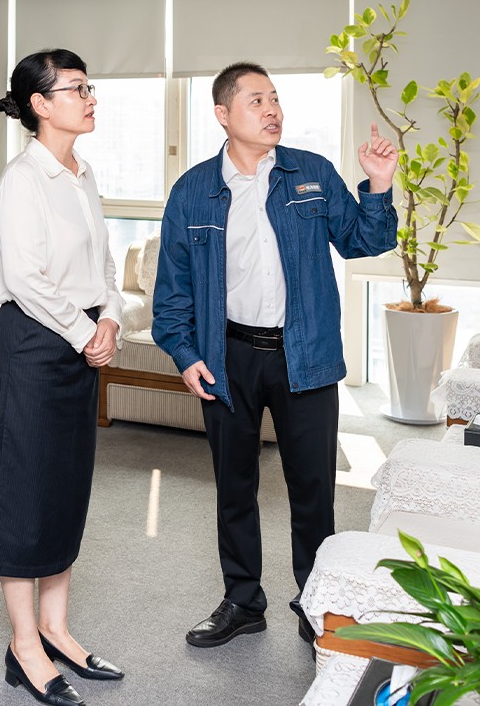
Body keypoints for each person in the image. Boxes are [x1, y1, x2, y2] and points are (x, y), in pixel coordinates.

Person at [152, 62, 398, 650]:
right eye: (256, 101)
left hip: (303, 356)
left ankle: (316, 600)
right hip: (227, 356)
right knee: (233, 486)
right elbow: (172, 291)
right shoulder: (192, 191)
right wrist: (185, 354)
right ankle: (242, 601)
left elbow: (365, 241)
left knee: (312, 488)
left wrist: (379, 185)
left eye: (276, 99)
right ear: (223, 114)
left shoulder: (311, 173)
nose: (272, 111)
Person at [0, 49, 126, 706]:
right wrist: (85, 331)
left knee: (67, 485)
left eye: (90, 87)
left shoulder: (82, 173)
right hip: (37, 344)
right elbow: (27, 278)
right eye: (76, 89)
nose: (90, 98)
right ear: (40, 104)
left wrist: (111, 317)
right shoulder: (23, 179)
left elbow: (105, 263)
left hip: (81, 336)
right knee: (27, 490)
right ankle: (24, 645)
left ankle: (56, 628)